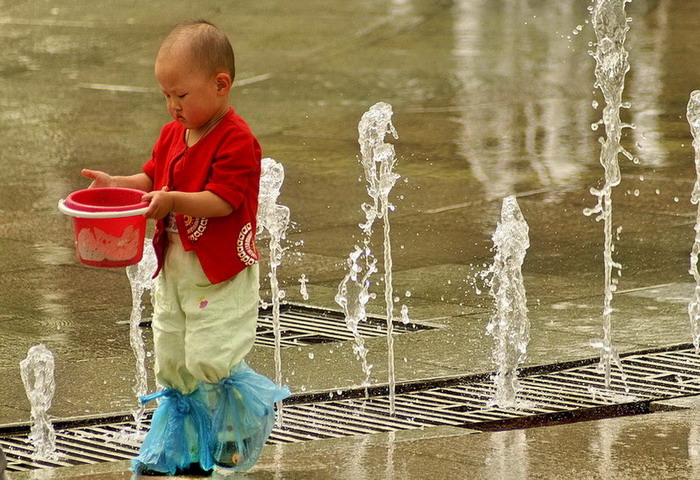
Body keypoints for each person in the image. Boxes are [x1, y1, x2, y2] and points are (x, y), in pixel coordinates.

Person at [81, 19, 290, 476]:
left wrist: (172, 200)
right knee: (174, 356)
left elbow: (223, 200)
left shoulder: (237, 140)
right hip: (176, 269)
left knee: (210, 356)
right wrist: (120, 185)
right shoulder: (172, 133)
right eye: (166, 96)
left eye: (181, 95)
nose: (173, 106)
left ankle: (237, 428)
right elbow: (152, 178)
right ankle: (188, 445)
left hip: (220, 273)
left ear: (221, 85)